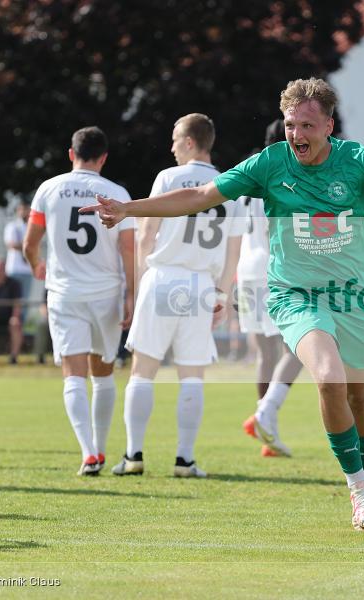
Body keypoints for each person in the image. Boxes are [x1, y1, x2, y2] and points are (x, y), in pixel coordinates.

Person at [83, 78, 364, 531]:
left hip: (355, 296)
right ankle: (360, 492)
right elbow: (199, 197)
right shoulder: (270, 164)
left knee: (359, 395)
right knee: (328, 379)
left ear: (329, 124)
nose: (296, 135)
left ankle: (362, 474)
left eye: (306, 125)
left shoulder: (361, 162)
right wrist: (129, 208)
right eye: (290, 125)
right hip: (295, 295)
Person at [110, 113, 243, 479]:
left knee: (143, 370)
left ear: (188, 142)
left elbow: (146, 233)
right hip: (202, 285)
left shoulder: (168, 178)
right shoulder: (229, 184)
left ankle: (133, 454)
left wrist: (139, 287)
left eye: (174, 139)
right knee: (192, 375)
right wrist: (224, 294)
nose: (170, 147)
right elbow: (235, 247)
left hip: (163, 276)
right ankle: (184, 460)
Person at [23, 125, 135, 476]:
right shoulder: (116, 191)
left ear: (70, 154)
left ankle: (88, 453)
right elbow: (129, 248)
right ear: (103, 157)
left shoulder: (48, 189)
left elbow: (30, 243)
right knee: (102, 373)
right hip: (106, 292)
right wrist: (132, 292)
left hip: (65, 292)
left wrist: (36, 264)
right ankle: (101, 448)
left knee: (72, 373)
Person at [237, 119, 304, 458]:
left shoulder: (249, 175)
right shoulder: (285, 176)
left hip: (246, 269)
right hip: (275, 270)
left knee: (265, 354)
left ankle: (268, 432)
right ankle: (266, 414)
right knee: (300, 348)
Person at [4, 200, 33, 302]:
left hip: (27, 269)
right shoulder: (12, 226)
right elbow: (11, 244)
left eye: (27, 209)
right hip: (14, 269)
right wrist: (25, 245)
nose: (24, 212)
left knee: (24, 300)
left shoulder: (31, 226)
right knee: (11, 300)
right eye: (22, 209)